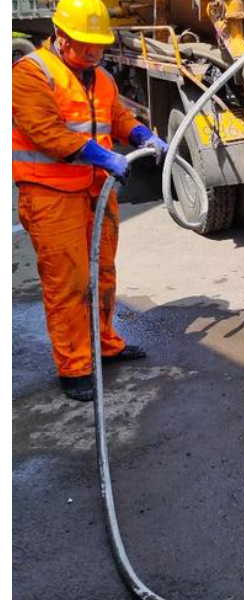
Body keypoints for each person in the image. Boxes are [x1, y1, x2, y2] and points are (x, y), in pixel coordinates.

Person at [12, 0, 169, 401]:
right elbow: (46, 133)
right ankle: (75, 366)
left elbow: (116, 116)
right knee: (68, 283)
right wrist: (100, 155)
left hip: (94, 191)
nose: (94, 53)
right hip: (51, 194)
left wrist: (139, 135)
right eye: (85, 46)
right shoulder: (30, 75)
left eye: (99, 46)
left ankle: (105, 344)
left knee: (102, 273)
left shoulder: (99, 77)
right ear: (61, 37)